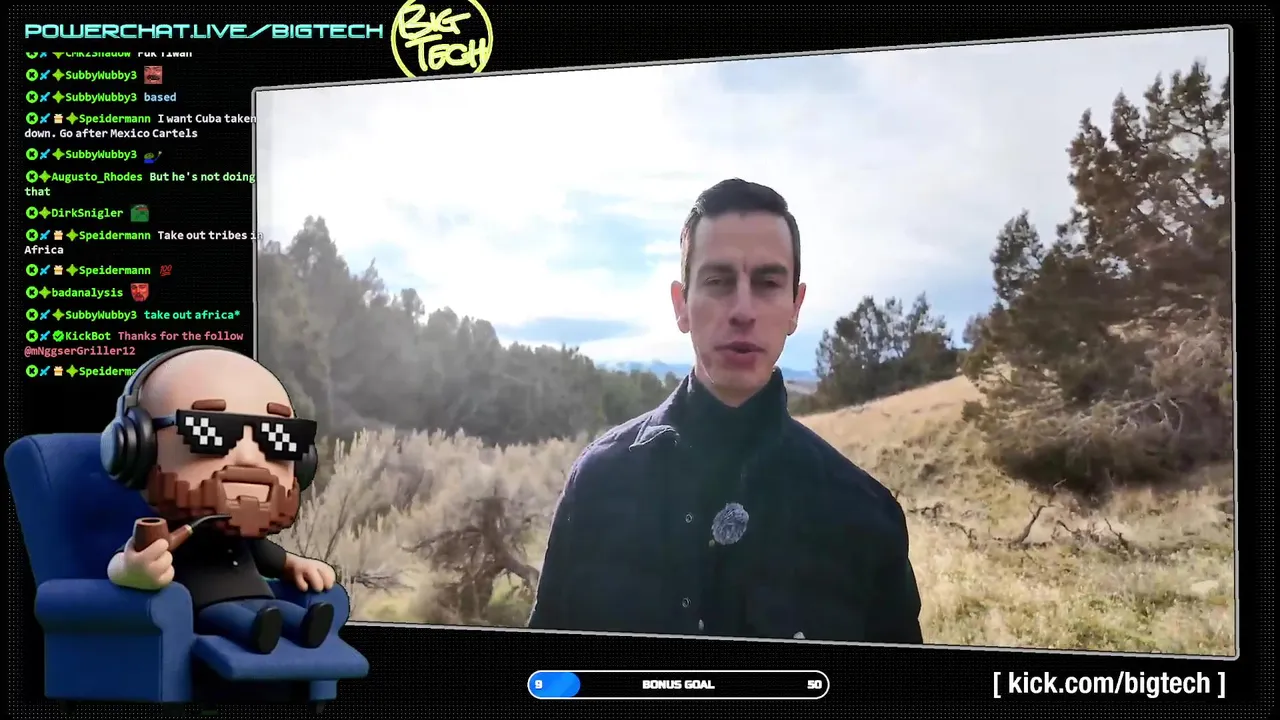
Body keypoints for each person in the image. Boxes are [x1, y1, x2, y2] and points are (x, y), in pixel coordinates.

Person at [528, 179, 923, 643]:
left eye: (768, 283)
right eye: (718, 282)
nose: (742, 310)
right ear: (681, 306)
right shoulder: (599, 484)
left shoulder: (863, 517)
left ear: (795, 307)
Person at [101, 346, 339, 654]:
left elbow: (269, 557)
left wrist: (296, 564)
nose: (249, 457)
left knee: (282, 613)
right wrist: (132, 571)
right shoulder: (170, 532)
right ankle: (257, 631)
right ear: (136, 448)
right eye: (209, 430)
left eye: (280, 436)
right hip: (206, 604)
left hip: (261, 596)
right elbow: (124, 561)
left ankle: (303, 625)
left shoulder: (247, 538)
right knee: (234, 618)